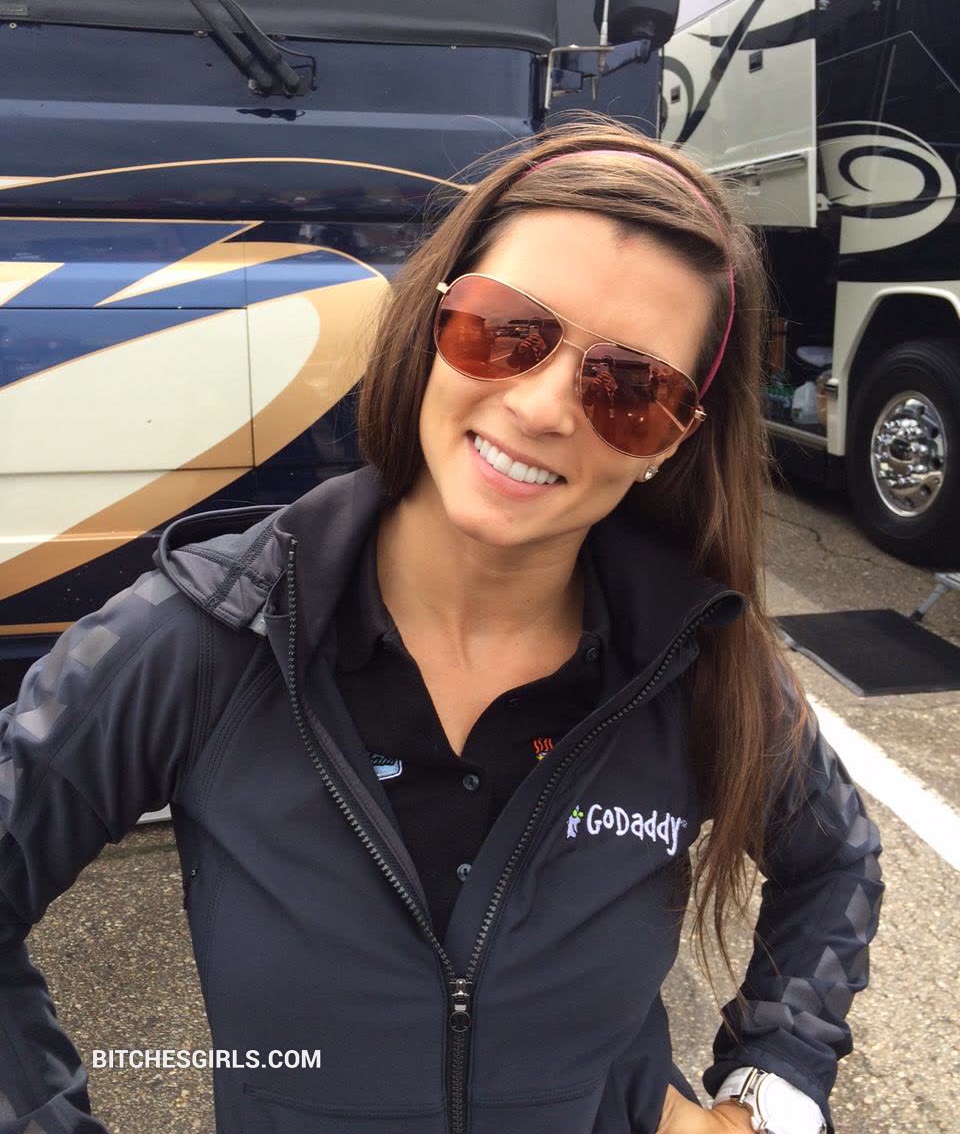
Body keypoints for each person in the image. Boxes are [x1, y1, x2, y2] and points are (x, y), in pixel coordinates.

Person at [0, 115, 883, 1134]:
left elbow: (835, 859)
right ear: (431, 317)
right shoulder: (204, 637)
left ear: (670, 443)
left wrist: (766, 1090)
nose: (543, 405)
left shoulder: (698, 663)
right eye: (505, 328)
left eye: (629, 387)